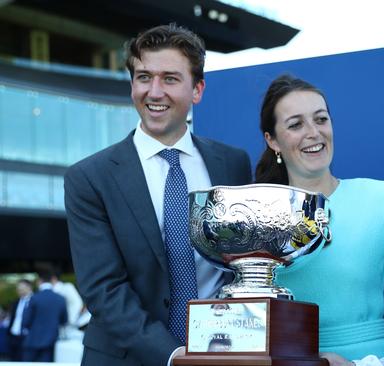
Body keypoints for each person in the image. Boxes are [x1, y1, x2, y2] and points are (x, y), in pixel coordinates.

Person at [64, 24, 252, 366]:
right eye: (143, 77)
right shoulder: (89, 178)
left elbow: (242, 266)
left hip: (221, 355)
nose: (154, 91)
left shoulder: (233, 164)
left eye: (170, 78)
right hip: (124, 358)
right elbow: (103, 289)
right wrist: (174, 355)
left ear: (197, 89)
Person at [254, 74, 384, 361]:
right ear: (272, 141)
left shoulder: (378, 199)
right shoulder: (255, 217)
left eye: (321, 119)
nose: (313, 132)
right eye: (296, 124)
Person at [22, 271, 68, 362]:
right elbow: (64, 320)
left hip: (32, 341)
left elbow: (26, 321)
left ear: (40, 281)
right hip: (51, 342)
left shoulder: (34, 298)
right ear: (52, 280)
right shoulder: (61, 299)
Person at [6, 279, 33, 361]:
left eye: (21, 288)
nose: (19, 291)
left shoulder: (36, 301)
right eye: (18, 289)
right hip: (14, 337)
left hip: (27, 338)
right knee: (14, 361)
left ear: (29, 287)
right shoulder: (16, 302)